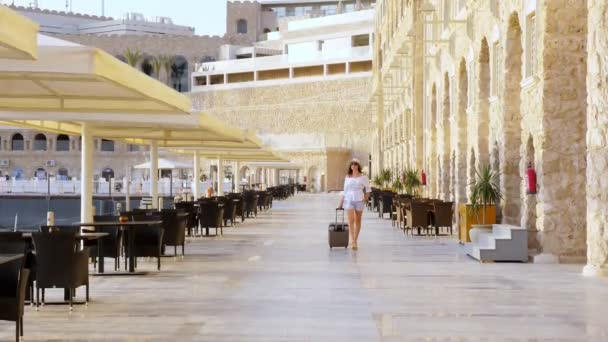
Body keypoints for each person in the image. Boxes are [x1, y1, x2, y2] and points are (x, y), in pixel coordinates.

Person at [337, 159, 371, 250]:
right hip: (349, 200)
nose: (353, 166)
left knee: (358, 221)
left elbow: (368, 189)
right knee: (351, 221)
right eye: (352, 164)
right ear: (350, 166)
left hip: (359, 199)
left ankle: (355, 240)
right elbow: (345, 191)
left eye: (355, 164)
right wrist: (340, 203)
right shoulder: (347, 177)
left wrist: (365, 198)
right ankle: (352, 240)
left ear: (358, 166)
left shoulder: (363, 177)